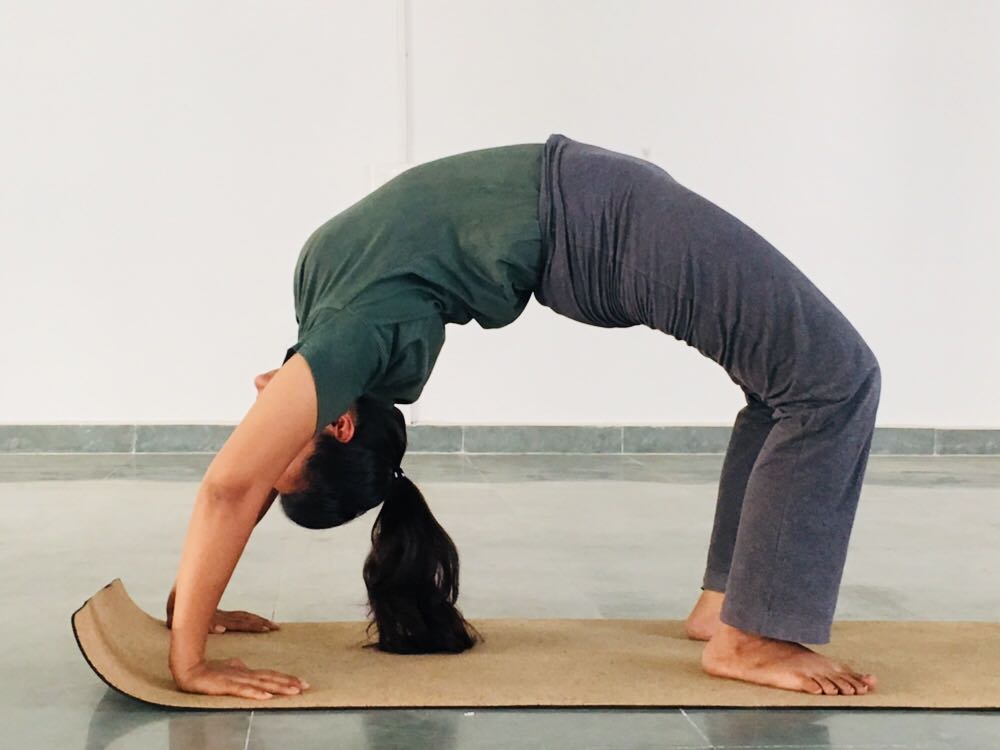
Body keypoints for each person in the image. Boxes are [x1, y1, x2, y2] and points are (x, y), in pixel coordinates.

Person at [166, 133, 880, 701]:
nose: (258, 424)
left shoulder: (327, 322)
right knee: (834, 379)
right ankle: (749, 638)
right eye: (282, 451)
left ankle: (730, 606)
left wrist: (188, 608)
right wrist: (190, 662)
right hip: (605, 224)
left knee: (783, 386)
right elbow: (234, 488)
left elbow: (245, 483)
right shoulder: (353, 335)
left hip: (595, 210)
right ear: (339, 427)